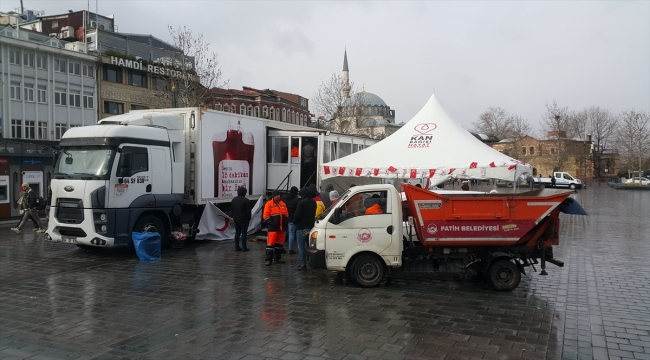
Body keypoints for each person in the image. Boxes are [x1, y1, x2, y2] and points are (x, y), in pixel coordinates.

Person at [263, 190, 288, 266]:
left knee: (279, 245)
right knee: (270, 244)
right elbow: (266, 216)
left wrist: (285, 223)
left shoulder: (283, 204)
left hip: (281, 229)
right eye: (277, 195)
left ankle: (277, 258)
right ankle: (268, 260)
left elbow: (286, 214)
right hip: (273, 228)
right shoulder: (269, 204)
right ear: (274, 196)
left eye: (279, 195)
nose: (278, 196)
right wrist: (271, 224)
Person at [294, 187, 316, 271]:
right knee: (309, 246)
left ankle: (303, 265)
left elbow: (297, 215)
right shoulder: (313, 202)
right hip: (310, 227)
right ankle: (310, 262)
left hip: (301, 228)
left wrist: (294, 222)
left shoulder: (301, 203)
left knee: (301, 247)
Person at [230, 186, 251, 252]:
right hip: (244, 219)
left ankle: (237, 247)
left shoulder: (234, 200)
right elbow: (248, 211)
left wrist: (234, 217)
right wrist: (249, 218)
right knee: (244, 233)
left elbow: (232, 210)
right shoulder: (246, 200)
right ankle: (244, 247)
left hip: (236, 219)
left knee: (237, 232)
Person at [281, 186, 300, 254]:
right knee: (291, 233)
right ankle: (290, 249)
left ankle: (281, 246)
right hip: (292, 218)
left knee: (284, 233)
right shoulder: (296, 200)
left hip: (283, 217)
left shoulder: (283, 198)